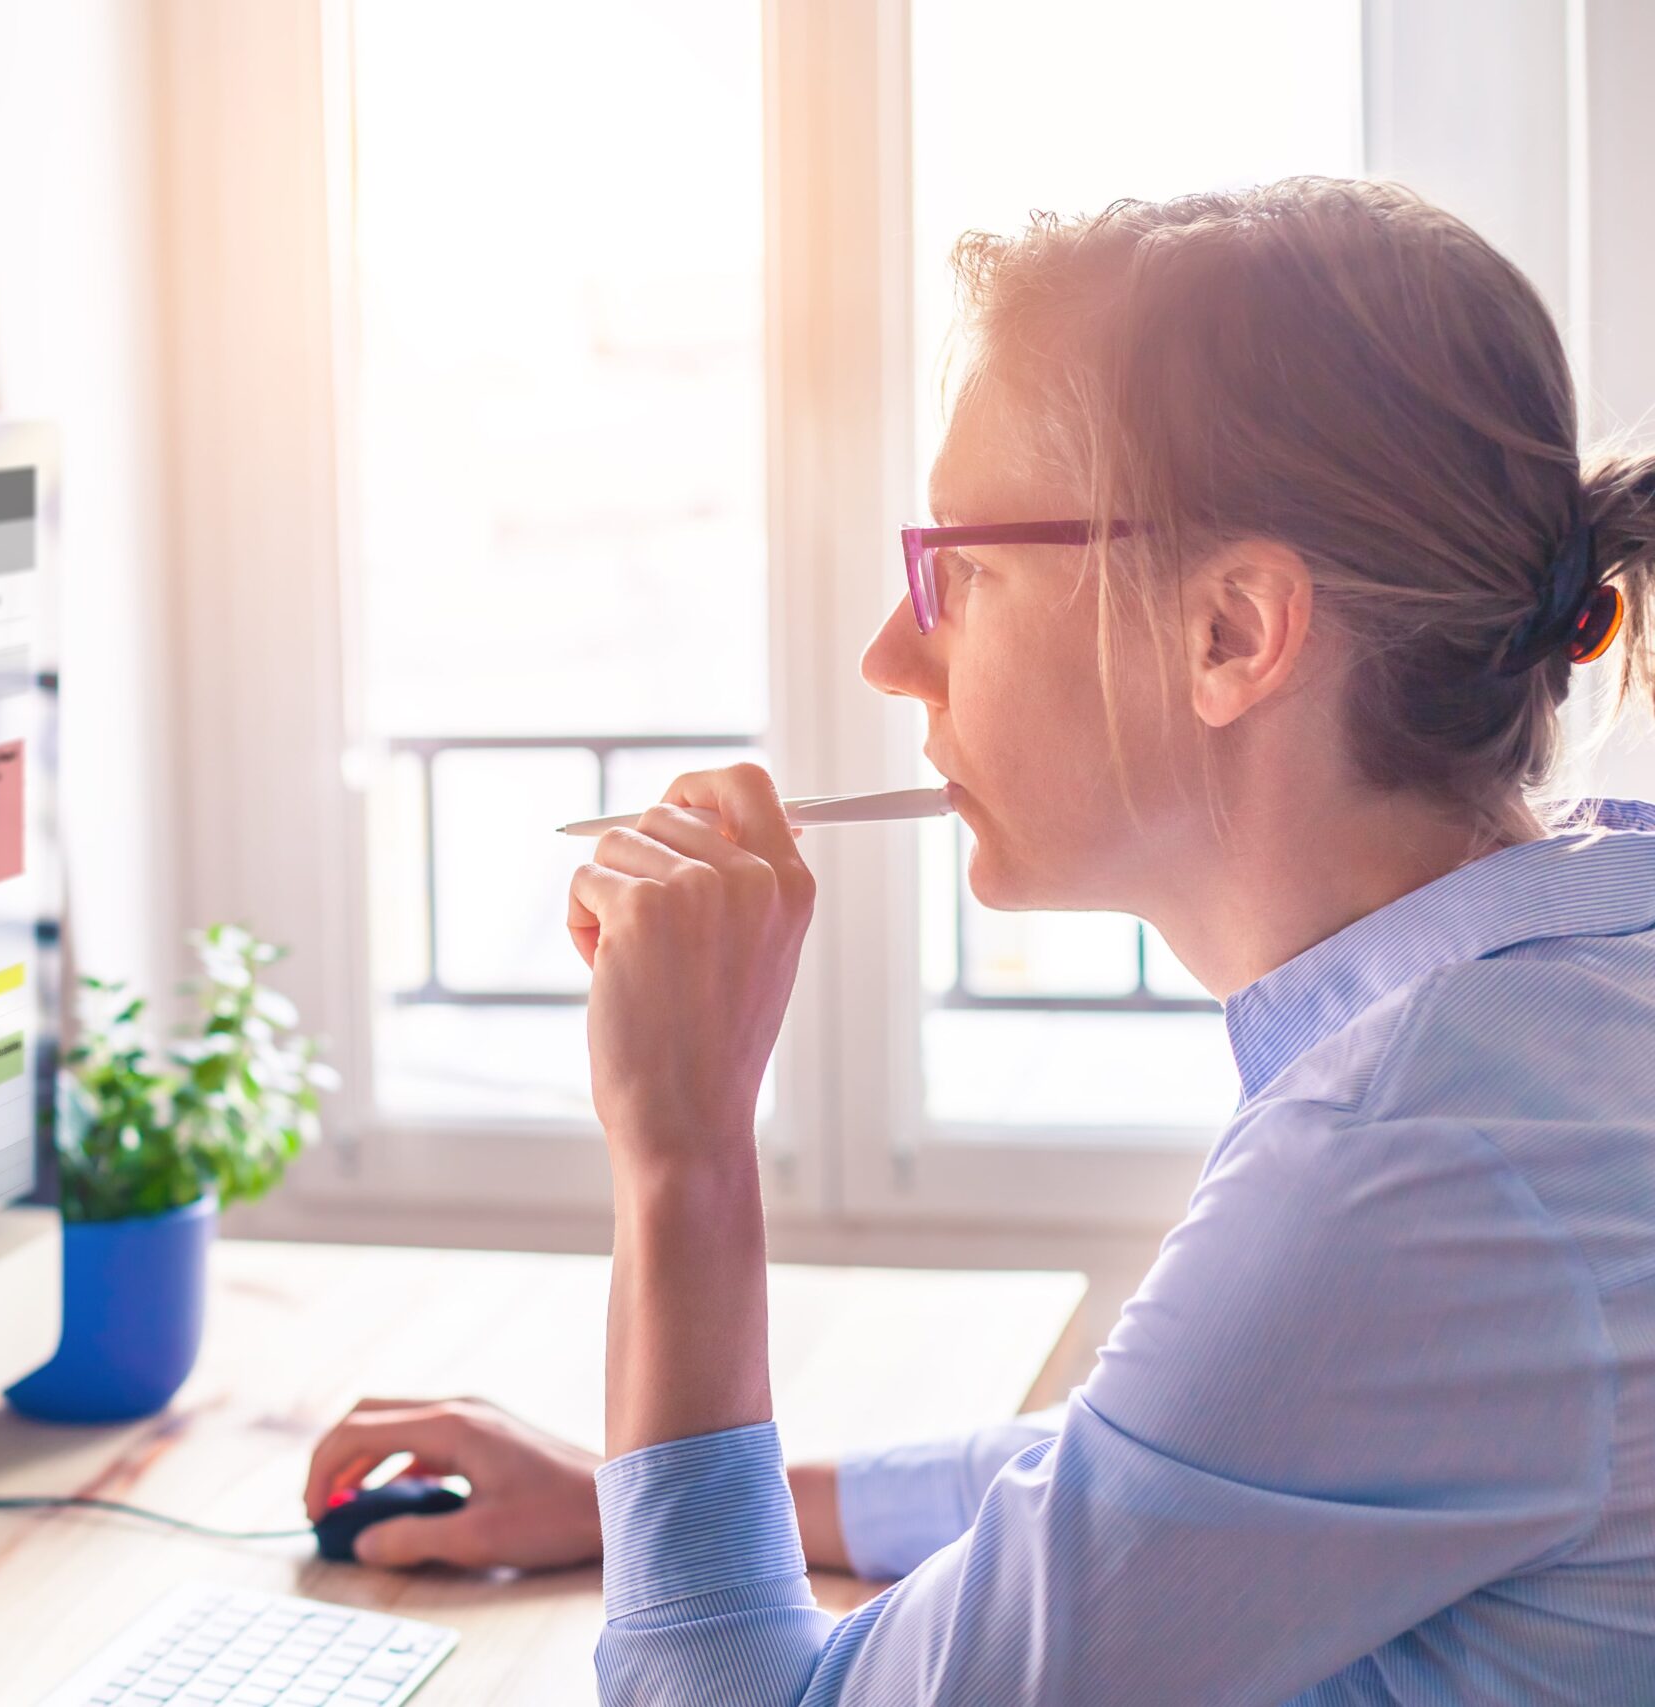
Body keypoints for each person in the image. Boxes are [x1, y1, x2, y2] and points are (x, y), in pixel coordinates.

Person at [302, 177, 1655, 1703]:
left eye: (963, 570)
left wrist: (684, 1151)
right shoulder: (1569, 998)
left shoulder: (1409, 1166)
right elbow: (1162, 1471)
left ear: (1232, 630)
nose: (893, 655)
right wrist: (643, 1501)